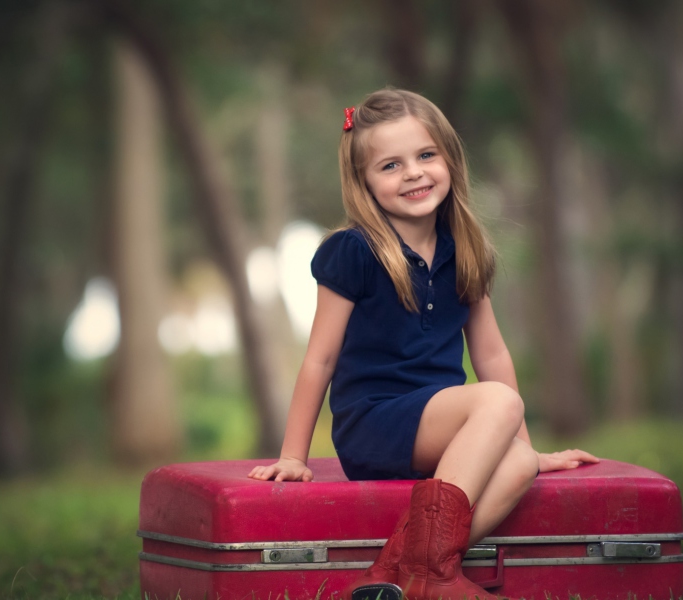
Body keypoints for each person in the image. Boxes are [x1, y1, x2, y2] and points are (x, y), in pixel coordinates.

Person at [248, 88, 598, 600]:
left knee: (520, 463)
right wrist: (294, 455)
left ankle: (398, 571)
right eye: (390, 165)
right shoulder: (353, 251)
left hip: (442, 433)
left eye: (426, 155)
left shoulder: (466, 251)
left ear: (450, 160)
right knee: (499, 400)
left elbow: (492, 355)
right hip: (375, 425)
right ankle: (432, 579)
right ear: (363, 181)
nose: (413, 172)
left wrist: (522, 444)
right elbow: (319, 359)